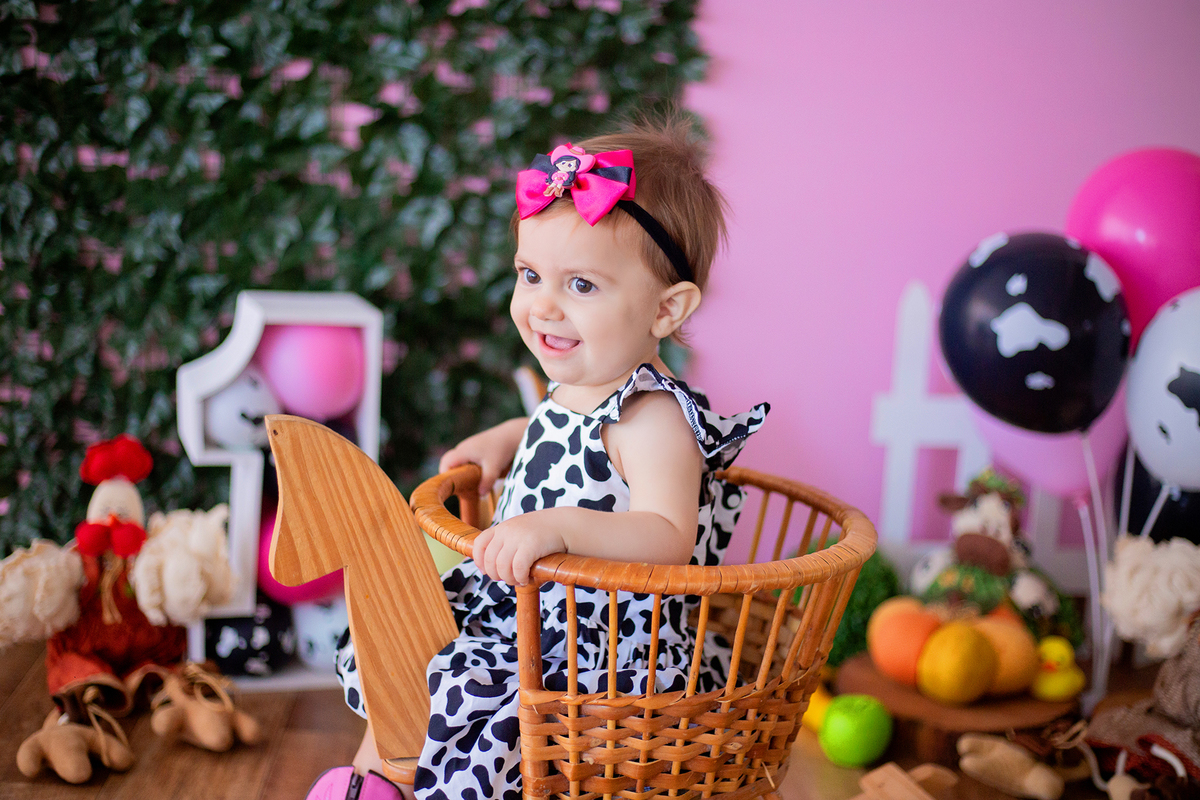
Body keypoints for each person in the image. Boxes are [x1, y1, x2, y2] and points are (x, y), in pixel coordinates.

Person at [326, 114, 768, 800]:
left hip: (602, 654)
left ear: (666, 310)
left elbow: (667, 534)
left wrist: (559, 526)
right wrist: (506, 438)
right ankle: (372, 780)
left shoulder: (652, 418)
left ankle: (396, 782)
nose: (543, 307)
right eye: (530, 275)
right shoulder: (579, 383)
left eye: (581, 286)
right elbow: (555, 428)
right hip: (522, 613)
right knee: (407, 644)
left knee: (460, 682)